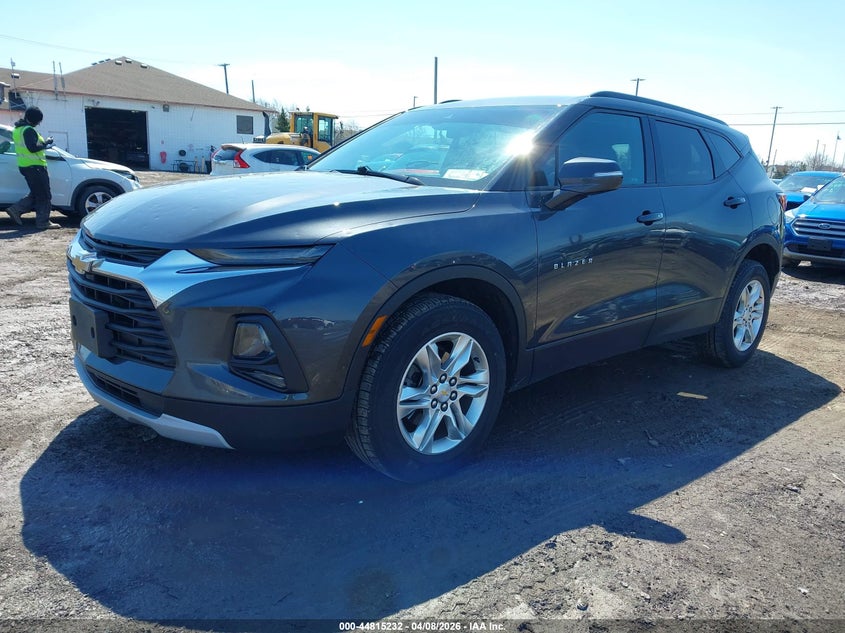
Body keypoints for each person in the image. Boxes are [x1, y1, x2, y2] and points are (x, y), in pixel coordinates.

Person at [5, 106, 60, 230]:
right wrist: (46, 143)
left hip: (25, 166)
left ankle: (16, 210)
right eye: (38, 121)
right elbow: (32, 148)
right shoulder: (28, 130)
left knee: (37, 193)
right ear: (33, 119)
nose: (39, 123)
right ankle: (43, 222)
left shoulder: (17, 129)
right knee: (44, 195)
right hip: (35, 167)